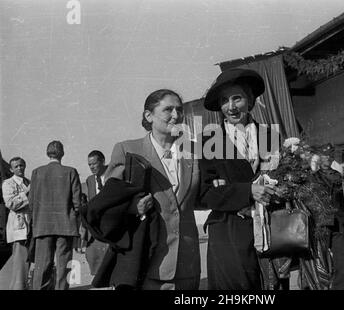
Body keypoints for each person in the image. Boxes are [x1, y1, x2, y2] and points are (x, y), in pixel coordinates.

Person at [104, 89, 201, 290]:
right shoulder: (127, 150)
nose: (176, 115)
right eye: (168, 110)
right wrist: (133, 207)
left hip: (187, 265)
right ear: (149, 115)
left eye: (179, 110)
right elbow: (109, 203)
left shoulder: (194, 152)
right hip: (145, 265)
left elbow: (199, 198)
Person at [200, 68, 281, 290]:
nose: (231, 107)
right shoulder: (211, 139)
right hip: (229, 231)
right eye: (225, 101)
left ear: (250, 100)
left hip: (269, 229)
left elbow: (281, 179)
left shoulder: (269, 136)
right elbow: (205, 193)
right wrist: (247, 192)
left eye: (237, 98)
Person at [29, 141, 82, 290]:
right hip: (65, 226)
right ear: (62, 153)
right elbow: (77, 203)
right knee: (63, 266)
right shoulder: (71, 171)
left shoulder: (37, 172)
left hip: (42, 226)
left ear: (47, 153)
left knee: (42, 266)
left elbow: (31, 202)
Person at [314, 143, 344, 290]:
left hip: (338, 222)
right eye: (325, 155)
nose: (328, 158)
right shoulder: (313, 177)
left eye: (330, 155)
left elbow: (341, 201)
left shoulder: (337, 176)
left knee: (341, 257)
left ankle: (340, 287)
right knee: (320, 261)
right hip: (321, 224)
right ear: (320, 157)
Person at [1, 157, 31, 290]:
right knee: (20, 262)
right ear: (11, 169)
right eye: (17, 166)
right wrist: (28, 192)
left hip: (31, 226)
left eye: (22, 165)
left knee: (26, 263)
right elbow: (11, 204)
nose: (20, 168)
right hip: (19, 227)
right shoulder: (8, 183)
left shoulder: (28, 182)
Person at [83, 150, 109, 275]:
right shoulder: (90, 180)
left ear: (103, 161)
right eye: (89, 165)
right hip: (96, 224)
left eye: (94, 163)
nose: (92, 167)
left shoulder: (112, 175)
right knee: (93, 255)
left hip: (110, 222)